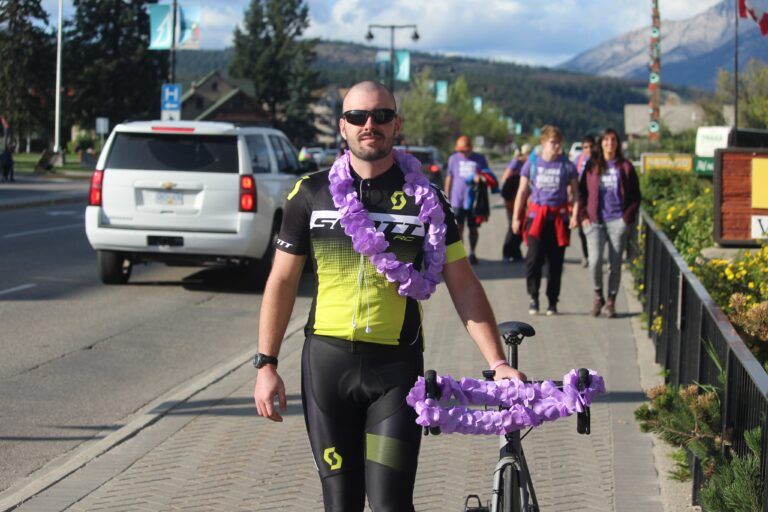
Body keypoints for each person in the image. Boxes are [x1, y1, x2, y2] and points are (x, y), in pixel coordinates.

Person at [252, 80, 525, 512]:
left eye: (380, 116)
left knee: (390, 505)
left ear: (397, 124)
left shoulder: (427, 201)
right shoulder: (311, 193)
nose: (369, 125)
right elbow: (282, 282)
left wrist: (497, 363)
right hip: (327, 367)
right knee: (339, 504)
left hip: (395, 374)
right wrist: (266, 364)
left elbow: (464, 285)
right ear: (342, 126)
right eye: (357, 117)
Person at [511, 125, 578, 316]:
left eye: (559, 142)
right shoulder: (532, 164)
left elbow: (576, 194)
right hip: (536, 218)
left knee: (556, 262)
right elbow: (522, 192)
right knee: (533, 260)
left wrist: (574, 215)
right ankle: (534, 296)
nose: (557, 146)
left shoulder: (567, 165)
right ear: (543, 143)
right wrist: (516, 218)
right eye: (553, 142)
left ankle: (552, 301)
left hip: (558, 219)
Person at [577, 128, 641, 318]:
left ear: (617, 144)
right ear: (601, 143)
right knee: (595, 261)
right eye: (606, 140)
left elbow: (636, 197)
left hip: (617, 221)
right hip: (595, 221)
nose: (609, 143)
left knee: (615, 264)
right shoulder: (592, 166)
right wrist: (583, 216)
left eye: (613, 140)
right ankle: (598, 296)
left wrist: (625, 219)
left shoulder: (625, 166)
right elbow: (582, 193)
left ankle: (611, 301)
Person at [444, 135, 492, 265]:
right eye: (461, 150)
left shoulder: (480, 159)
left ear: (471, 148)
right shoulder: (453, 159)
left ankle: (472, 252)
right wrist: (446, 196)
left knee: (473, 228)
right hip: (457, 201)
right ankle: (461, 255)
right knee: (458, 229)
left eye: (465, 150)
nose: (463, 153)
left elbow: (488, 176)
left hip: (473, 201)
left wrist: (480, 178)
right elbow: (450, 177)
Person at [500, 143, 531, 262]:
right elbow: (505, 178)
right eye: (527, 153)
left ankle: (516, 252)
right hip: (512, 199)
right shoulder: (516, 163)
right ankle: (507, 252)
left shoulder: (528, 164)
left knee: (522, 226)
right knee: (512, 226)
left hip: (522, 200)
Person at [571, 135, 595, 267]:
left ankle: (594, 255)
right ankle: (587, 255)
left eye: (591, 146)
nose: (589, 149)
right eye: (586, 147)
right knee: (582, 230)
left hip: (596, 199)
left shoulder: (599, 160)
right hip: (582, 198)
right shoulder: (577, 161)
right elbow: (572, 179)